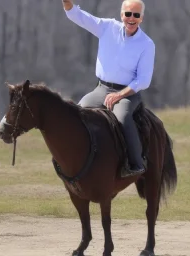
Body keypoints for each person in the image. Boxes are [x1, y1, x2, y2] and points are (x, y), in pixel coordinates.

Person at [62, 0, 155, 177]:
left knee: (122, 117)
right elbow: (78, 16)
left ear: (141, 18)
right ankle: (75, 158)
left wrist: (120, 95)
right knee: (78, 111)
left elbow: (144, 80)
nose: (131, 18)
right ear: (122, 15)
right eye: (128, 14)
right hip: (102, 88)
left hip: (128, 93)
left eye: (136, 15)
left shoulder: (147, 44)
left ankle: (136, 163)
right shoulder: (107, 27)